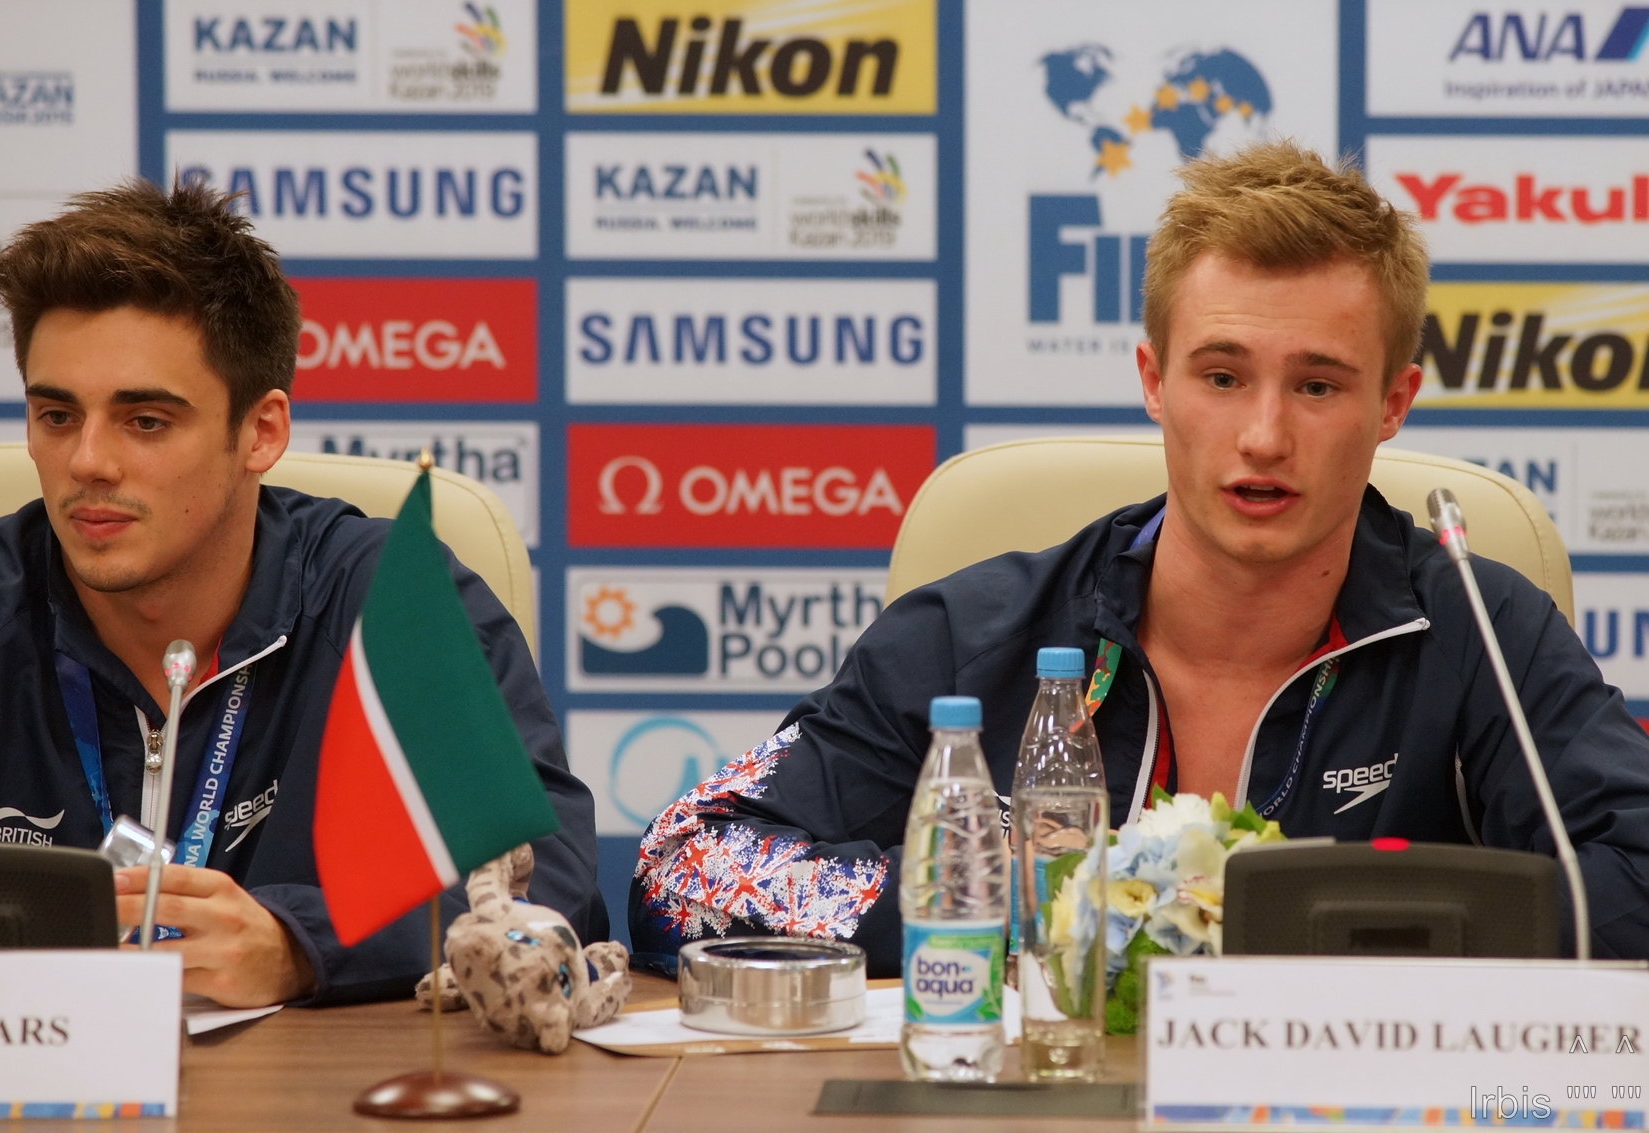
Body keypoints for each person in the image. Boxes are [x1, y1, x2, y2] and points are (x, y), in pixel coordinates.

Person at [631, 141, 1649, 971]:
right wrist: (1035, 909)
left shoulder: (1481, 629)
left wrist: (1307, 925)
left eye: (1318, 386)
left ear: (1393, 402)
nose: (1261, 436)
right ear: (1154, 381)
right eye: (1221, 375)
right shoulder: (970, 634)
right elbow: (684, 863)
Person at [0, 179, 604, 1006]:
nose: (89, 461)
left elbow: (545, 878)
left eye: (145, 421)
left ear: (261, 432)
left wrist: (301, 944)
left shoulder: (388, 604)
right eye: (57, 415)